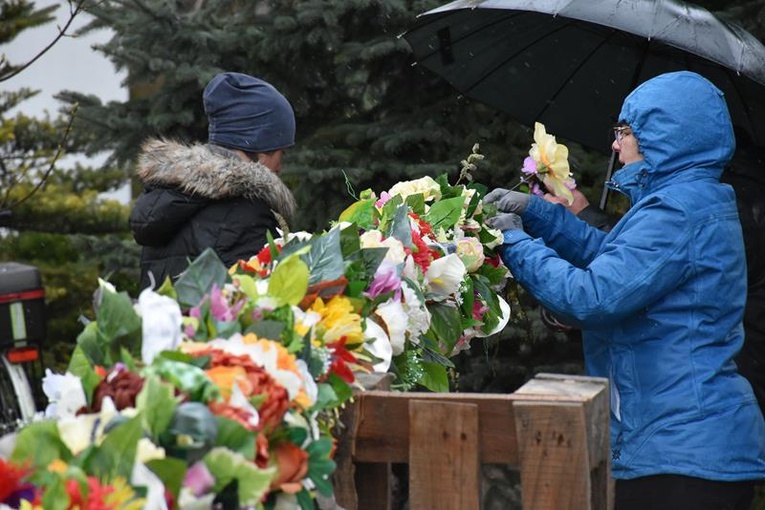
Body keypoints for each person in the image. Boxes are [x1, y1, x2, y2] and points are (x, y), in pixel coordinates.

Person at [484, 71, 765, 509]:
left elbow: (591, 297)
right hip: (678, 445)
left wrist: (514, 241)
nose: (615, 144)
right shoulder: (683, 199)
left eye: (626, 131)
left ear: (666, 135)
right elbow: (614, 258)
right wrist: (538, 214)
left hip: (682, 455)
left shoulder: (679, 209)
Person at [129, 72, 297, 290]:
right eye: (281, 151)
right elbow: (255, 306)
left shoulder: (166, 198)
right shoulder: (249, 213)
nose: (280, 166)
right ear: (261, 148)